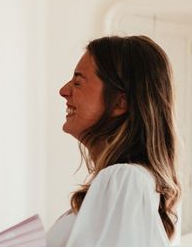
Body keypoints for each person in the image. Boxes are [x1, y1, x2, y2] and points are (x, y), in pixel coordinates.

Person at [46, 35, 181, 247]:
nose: (64, 91)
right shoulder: (130, 182)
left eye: (78, 82)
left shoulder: (124, 180)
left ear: (120, 102)